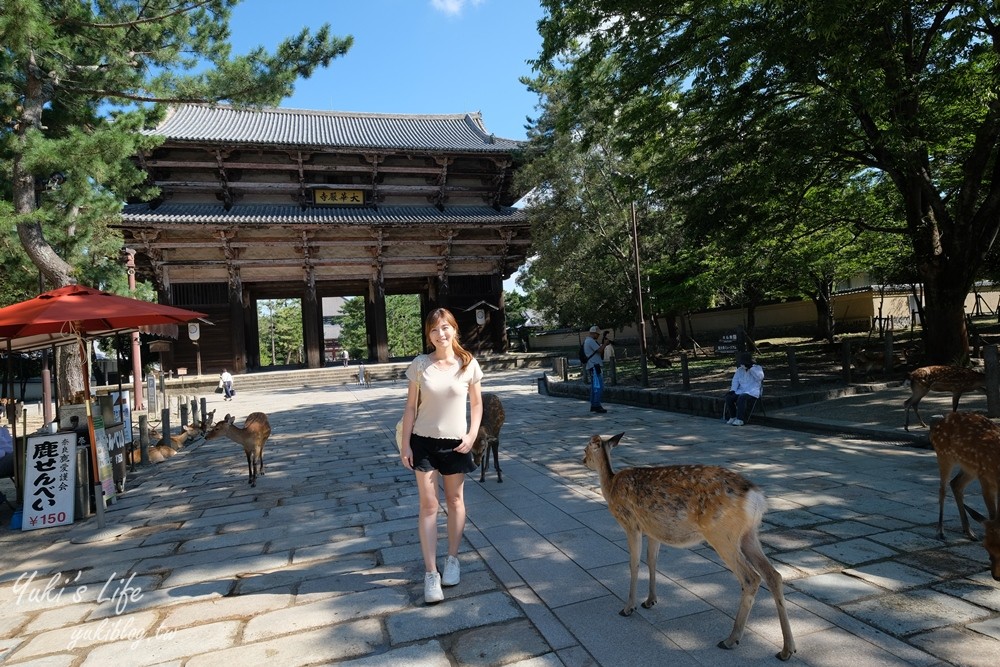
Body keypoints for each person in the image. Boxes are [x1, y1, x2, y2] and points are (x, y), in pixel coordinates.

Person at [399, 307, 483, 605]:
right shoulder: (420, 365)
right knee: (428, 506)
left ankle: (452, 559)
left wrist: (472, 436)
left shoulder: (468, 364)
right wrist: (405, 445)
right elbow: (410, 407)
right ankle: (431, 573)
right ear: (429, 335)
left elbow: (476, 405)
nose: (441, 334)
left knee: (456, 500)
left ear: (454, 330)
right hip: (423, 442)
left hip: (456, 443)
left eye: (445, 327)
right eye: (434, 330)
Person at [724, 352, 764, 425]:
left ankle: (740, 419)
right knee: (729, 397)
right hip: (741, 390)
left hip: (752, 391)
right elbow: (735, 380)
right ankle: (733, 417)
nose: (743, 365)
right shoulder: (740, 370)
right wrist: (733, 390)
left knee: (742, 398)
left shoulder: (757, 368)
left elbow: (760, 377)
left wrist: (751, 368)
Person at [583, 325, 609, 413]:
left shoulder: (588, 341)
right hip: (595, 366)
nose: (598, 336)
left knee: (595, 386)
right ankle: (596, 405)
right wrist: (605, 344)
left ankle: (594, 405)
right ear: (594, 333)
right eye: (597, 334)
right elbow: (600, 350)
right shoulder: (590, 341)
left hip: (593, 366)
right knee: (598, 386)